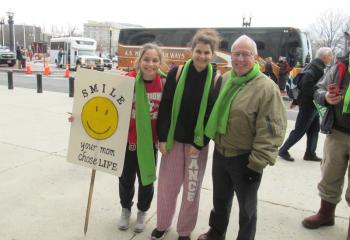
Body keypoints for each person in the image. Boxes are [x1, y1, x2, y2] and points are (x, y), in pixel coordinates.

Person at [197, 35, 287, 240]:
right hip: (221, 153)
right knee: (220, 200)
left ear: (255, 57)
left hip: (246, 159)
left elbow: (272, 130)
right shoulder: (227, 79)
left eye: (245, 54)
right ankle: (216, 233)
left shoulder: (266, 88)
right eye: (236, 54)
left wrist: (256, 164)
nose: (240, 58)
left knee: (247, 208)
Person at [68, 43, 165, 233]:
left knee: (146, 180)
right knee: (126, 179)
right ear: (139, 61)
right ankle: (125, 209)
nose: (150, 64)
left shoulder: (164, 83)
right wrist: (79, 116)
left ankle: (142, 212)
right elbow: (104, 100)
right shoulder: (127, 81)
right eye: (146, 59)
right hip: (127, 141)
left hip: (149, 143)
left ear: (159, 62)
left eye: (155, 60)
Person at [151, 29, 222, 240]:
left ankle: (184, 231)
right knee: (167, 188)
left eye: (207, 53)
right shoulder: (177, 72)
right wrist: (162, 138)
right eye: (198, 51)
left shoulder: (216, 79)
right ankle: (162, 225)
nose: (202, 56)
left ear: (213, 55)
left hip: (196, 146)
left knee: (191, 192)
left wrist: (200, 143)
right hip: (172, 142)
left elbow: (212, 114)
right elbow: (165, 106)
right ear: (191, 51)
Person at [302, 49, 350, 240]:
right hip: (337, 132)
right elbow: (318, 89)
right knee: (329, 175)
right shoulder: (340, 66)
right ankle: (326, 214)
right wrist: (326, 98)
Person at [278, 47, 333, 162]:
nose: (331, 58)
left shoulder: (316, 66)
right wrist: (320, 94)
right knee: (300, 129)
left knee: (314, 129)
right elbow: (305, 86)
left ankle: (310, 153)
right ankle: (283, 150)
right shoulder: (315, 68)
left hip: (312, 104)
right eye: (330, 55)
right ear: (324, 57)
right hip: (309, 104)